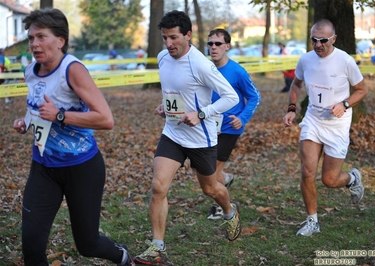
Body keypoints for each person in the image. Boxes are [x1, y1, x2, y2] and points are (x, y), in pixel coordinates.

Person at [12, 8, 134, 265]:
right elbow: (36, 106)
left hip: (81, 168)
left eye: (41, 37)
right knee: (31, 243)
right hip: (44, 167)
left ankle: (120, 255)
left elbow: (105, 119)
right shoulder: (31, 71)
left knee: (87, 244)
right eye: (31, 37)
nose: (34, 43)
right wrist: (26, 121)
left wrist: (59, 116)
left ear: (60, 40)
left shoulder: (73, 70)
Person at [133, 10, 241, 265]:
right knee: (158, 186)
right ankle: (157, 247)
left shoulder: (201, 64)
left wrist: (202, 113)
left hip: (201, 139)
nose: (168, 44)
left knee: (211, 188)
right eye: (164, 38)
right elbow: (173, 90)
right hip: (172, 134)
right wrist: (165, 105)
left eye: (173, 38)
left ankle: (229, 210)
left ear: (188, 35)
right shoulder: (162, 57)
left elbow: (231, 97)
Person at [282, 19, 368, 237]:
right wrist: (292, 108)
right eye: (314, 40)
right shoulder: (306, 60)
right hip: (313, 120)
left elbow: (362, 90)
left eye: (323, 40)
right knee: (307, 170)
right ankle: (312, 221)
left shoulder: (345, 61)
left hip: (337, 125)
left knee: (329, 180)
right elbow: (296, 84)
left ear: (334, 39)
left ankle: (352, 178)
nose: (318, 45)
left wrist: (344, 104)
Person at [206, 28, 261, 220]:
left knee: (212, 170)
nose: (213, 47)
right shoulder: (205, 68)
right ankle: (226, 180)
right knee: (203, 168)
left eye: (218, 44)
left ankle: (222, 206)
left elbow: (254, 97)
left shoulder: (237, 71)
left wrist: (242, 118)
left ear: (227, 46)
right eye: (210, 43)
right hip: (208, 126)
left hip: (230, 127)